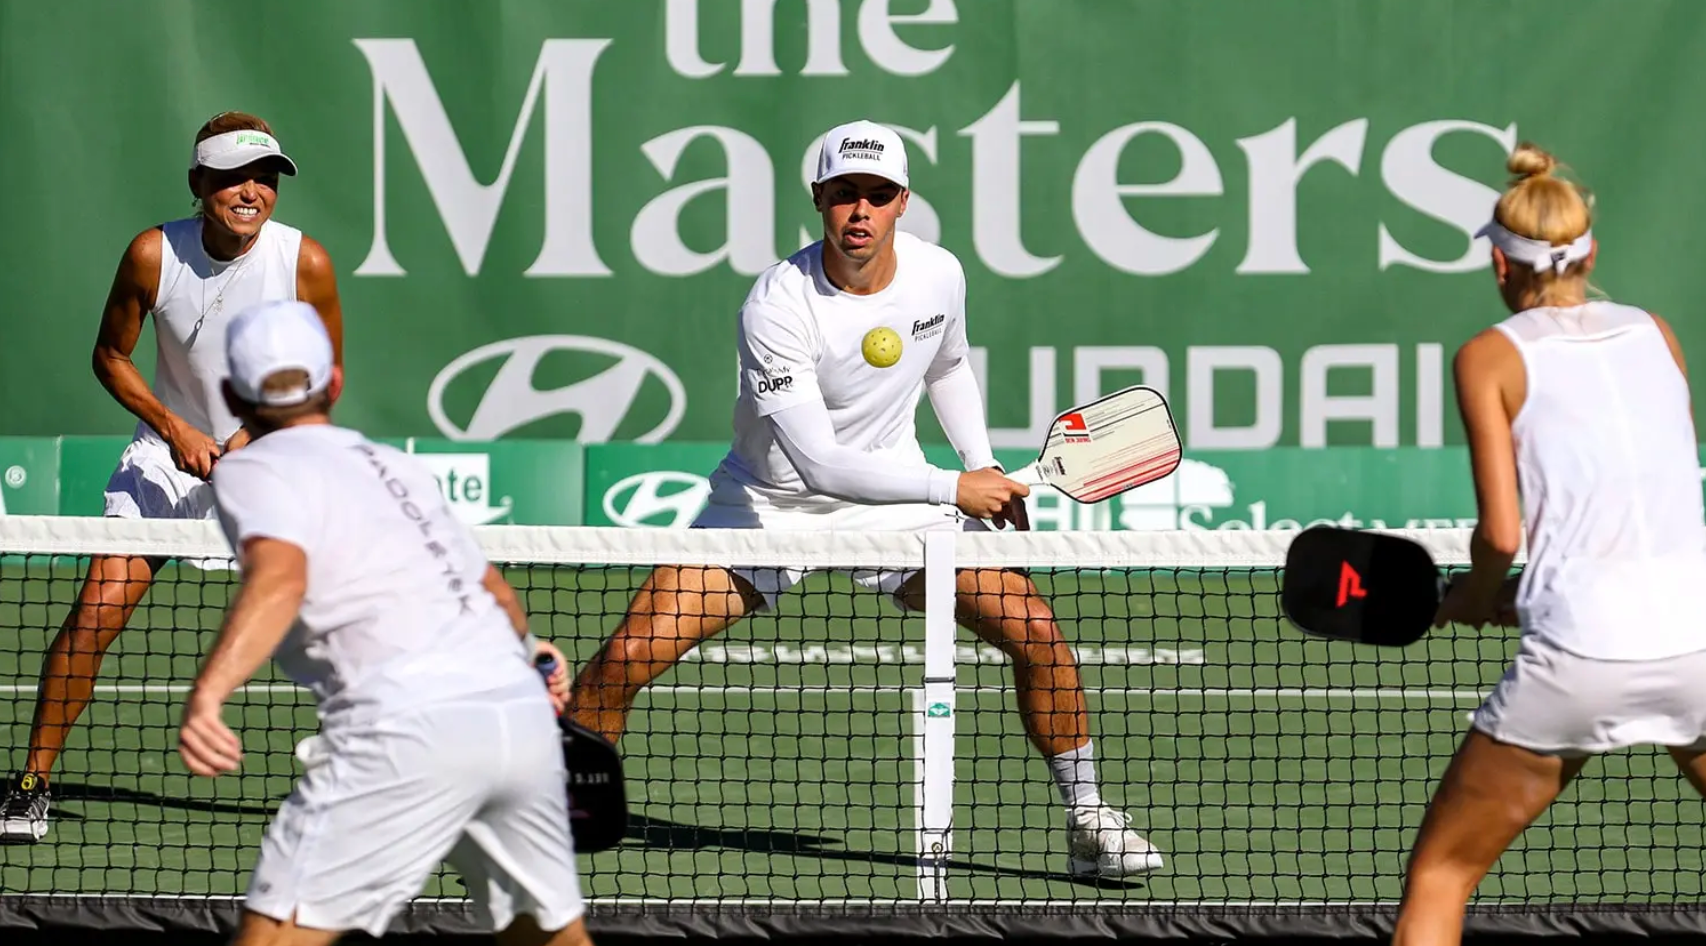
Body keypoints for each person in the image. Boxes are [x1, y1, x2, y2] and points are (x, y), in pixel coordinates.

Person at [565, 119, 1162, 878]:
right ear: (818, 198)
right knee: (624, 657)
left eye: (878, 196)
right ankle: (552, 816)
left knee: (1036, 631)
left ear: (902, 202)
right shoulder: (778, 305)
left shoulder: (938, 275)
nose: (861, 211)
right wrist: (956, 486)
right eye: (845, 194)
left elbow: (947, 367)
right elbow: (817, 464)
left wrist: (984, 466)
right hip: (769, 506)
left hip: (897, 507)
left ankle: (1087, 820)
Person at [178, 299, 590, 946]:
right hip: (519, 719)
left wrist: (207, 696)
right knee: (548, 938)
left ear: (232, 394)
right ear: (334, 382)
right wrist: (536, 653)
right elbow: (491, 591)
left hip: (404, 726)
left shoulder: (252, 468)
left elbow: (281, 577)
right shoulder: (396, 465)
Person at [1391, 143, 1706, 945]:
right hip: (1698, 639)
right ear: (1589, 252)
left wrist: (1472, 593)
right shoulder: (1657, 333)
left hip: (1582, 654)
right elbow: (1653, 499)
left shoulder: (1487, 357)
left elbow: (1502, 532)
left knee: (1441, 876)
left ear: (1500, 265)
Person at [2, 111, 344, 842]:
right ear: (198, 184)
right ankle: (31, 781)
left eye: (264, 177)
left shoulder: (304, 262)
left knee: (346, 624)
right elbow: (110, 356)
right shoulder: (153, 255)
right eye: (230, 178)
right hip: (167, 459)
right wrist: (175, 427)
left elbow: (322, 377)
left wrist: (254, 435)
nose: (250, 191)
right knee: (96, 613)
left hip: (274, 461)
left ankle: (369, 784)